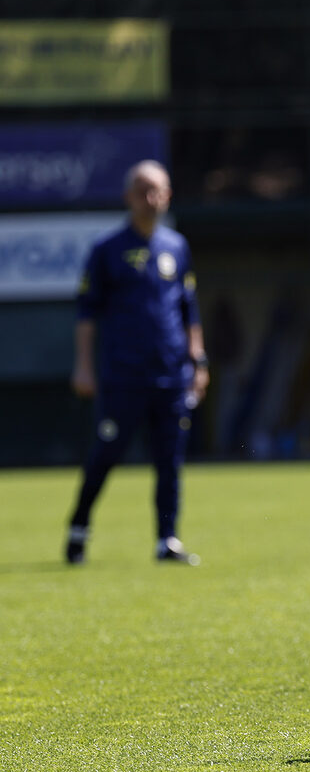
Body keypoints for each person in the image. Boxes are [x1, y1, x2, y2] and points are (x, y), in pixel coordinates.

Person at [65, 160, 207, 565]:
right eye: (143, 190)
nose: (151, 198)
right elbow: (86, 313)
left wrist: (199, 361)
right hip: (124, 376)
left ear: (169, 195)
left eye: (158, 189)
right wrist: (83, 366)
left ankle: (168, 539)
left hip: (172, 375)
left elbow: (189, 311)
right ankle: (78, 528)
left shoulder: (177, 247)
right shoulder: (106, 250)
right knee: (107, 454)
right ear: (128, 196)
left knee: (170, 461)